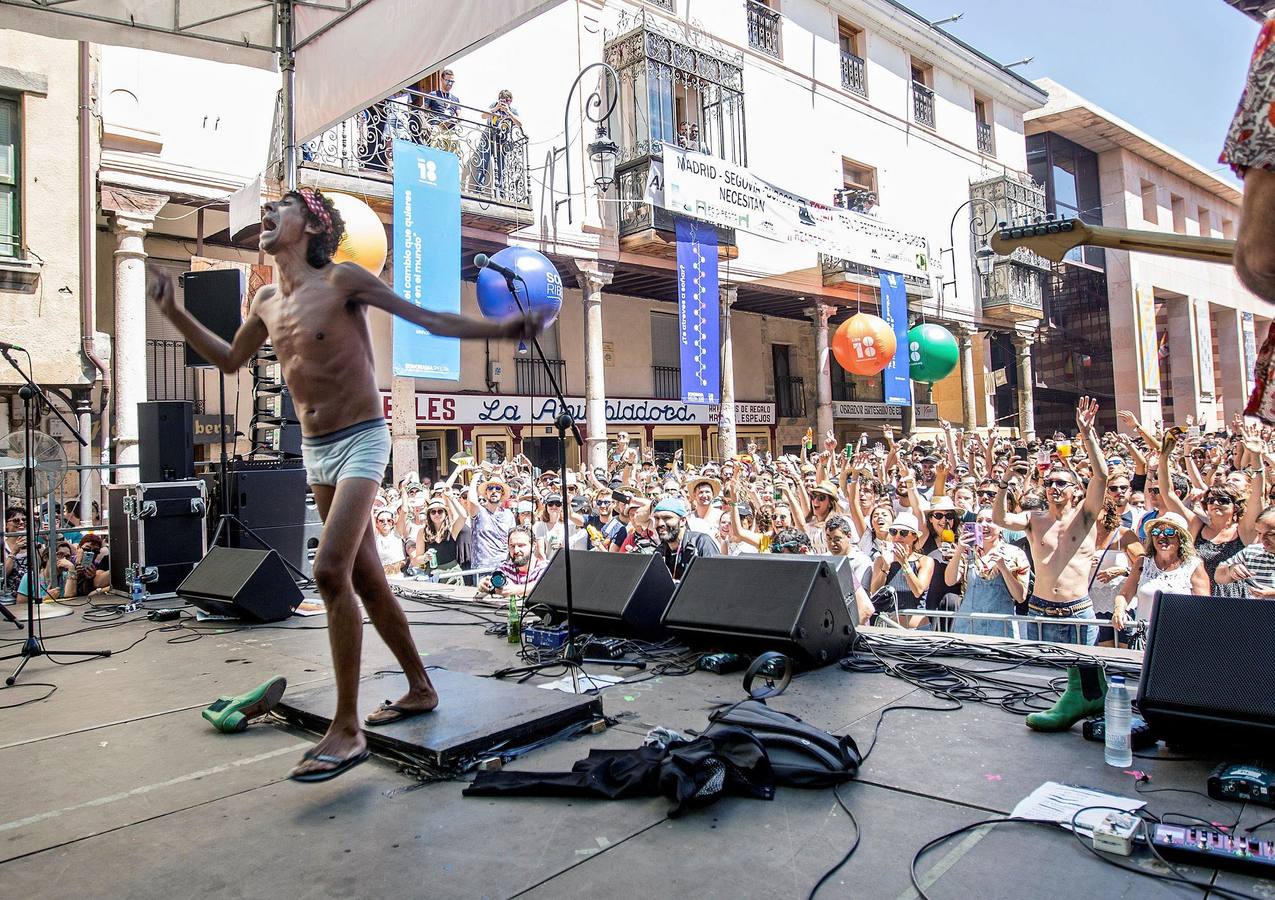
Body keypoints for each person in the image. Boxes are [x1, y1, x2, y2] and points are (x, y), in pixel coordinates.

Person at [148, 186, 546, 783]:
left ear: (309, 223)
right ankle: (420, 687)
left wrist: (503, 326)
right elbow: (231, 359)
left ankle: (348, 727)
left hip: (363, 438)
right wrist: (175, 313)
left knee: (329, 572)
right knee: (366, 578)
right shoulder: (264, 300)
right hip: (316, 450)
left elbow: (428, 318)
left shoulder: (343, 282)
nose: (266, 215)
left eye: (278, 208)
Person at [993, 397, 1107, 645]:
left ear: (1076, 490)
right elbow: (1000, 519)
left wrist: (1087, 434)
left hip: (1077, 611)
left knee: (1084, 678)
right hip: (1040, 610)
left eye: (1060, 483)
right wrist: (1005, 481)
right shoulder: (1034, 519)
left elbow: (1102, 476)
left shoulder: (1085, 517)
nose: (1053, 487)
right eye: (1048, 483)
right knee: (1044, 678)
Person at [1112, 512, 1209, 631]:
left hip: (1179, 636)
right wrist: (1119, 609)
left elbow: (1204, 606)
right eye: (1156, 532)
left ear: (1181, 538)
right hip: (1144, 637)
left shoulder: (1193, 566)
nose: (1161, 536)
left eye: (1169, 532)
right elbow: (1124, 595)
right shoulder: (1142, 563)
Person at [945, 510, 1030, 638]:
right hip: (967, 629)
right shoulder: (968, 552)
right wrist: (959, 550)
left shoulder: (1015, 554)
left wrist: (1003, 568)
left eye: (990, 521)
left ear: (1001, 526)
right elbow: (949, 580)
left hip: (1001, 631)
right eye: (979, 521)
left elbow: (1020, 597)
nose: (984, 525)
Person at [868, 511, 935, 629]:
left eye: (903, 533)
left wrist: (904, 564)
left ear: (914, 536)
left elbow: (918, 590)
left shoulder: (925, 561)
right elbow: (875, 591)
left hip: (917, 631)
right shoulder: (882, 560)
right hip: (889, 630)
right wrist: (886, 566)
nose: (898, 536)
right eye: (894, 532)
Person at [651, 497, 718, 580]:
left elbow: (716, 579)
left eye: (667, 518)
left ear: (682, 521)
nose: (660, 523)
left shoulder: (700, 542)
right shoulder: (659, 551)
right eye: (657, 518)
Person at [1215, 505, 1275, 597]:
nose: (1262, 539)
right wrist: (1230, 570)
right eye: (1259, 533)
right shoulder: (1251, 552)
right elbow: (1218, 576)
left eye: (1270, 534)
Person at [462, 475, 516, 575]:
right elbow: (472, 502)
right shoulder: (479, 512)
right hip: (482, 569)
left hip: (504, 567)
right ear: (486, 493)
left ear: (502, 493)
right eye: (490, 488)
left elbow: (513, 540)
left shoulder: (509, 514)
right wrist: (474, 478)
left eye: (498, 488)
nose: (494, 491)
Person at [409, 495, 467, 583]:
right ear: (429, 514)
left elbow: (463, 516)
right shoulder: (422, 532)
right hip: (432, 575)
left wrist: (451, 497)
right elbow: (416, 561)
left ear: (445, 513)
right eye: (433, 512)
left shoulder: (451, 529)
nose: (437, 514)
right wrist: (425, 558)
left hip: (452, 574)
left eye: (440, 511)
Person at [477, 526, 547, 597]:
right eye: (512, 546)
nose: (516, 550)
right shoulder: (505, 568)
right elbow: (489, 586)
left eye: (521, 545)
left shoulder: (543, 568)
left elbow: (543, 586)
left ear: (533, 545)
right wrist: (484, 585)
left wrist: (515, 590)